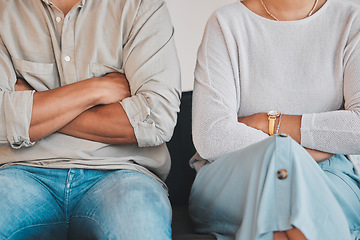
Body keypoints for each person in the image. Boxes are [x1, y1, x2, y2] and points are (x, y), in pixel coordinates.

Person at [0, 0, 181, 239]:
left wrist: (35, 107)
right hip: (20, 173)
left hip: (121, 173)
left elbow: (157, 119)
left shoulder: (140, 6)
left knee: (141, 230)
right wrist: (95, 89)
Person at [189, 0, 360, 239]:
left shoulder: (352, 21)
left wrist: (269, 122)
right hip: (235, 178)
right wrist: (310, 145)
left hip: (329, 176)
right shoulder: (226, 22)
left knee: (285, 218)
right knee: (303, 214)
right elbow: (213, 137)